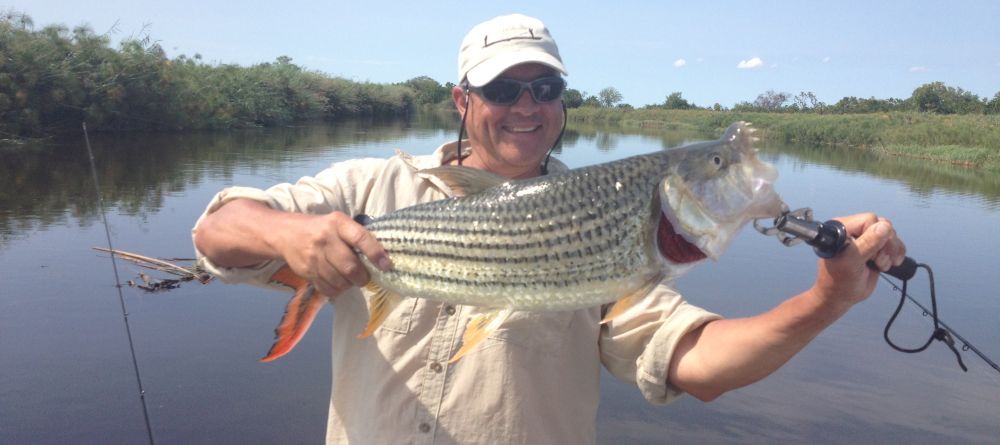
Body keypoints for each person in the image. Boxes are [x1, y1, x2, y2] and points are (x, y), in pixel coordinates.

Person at [192, 13, 906, 444]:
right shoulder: (366, 187)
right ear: (462, 100)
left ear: (563, 100)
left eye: (546, 89)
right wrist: (291, 235)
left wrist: (828, 300)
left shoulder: (620, 231)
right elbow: (219, 229)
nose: (526, 106)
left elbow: (700, 365)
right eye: (503, 90)